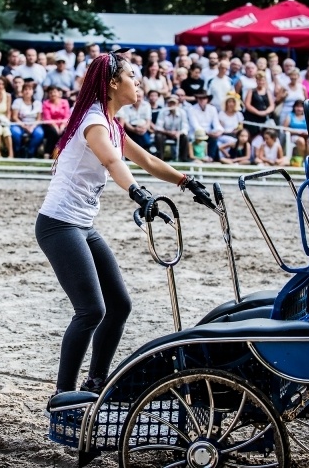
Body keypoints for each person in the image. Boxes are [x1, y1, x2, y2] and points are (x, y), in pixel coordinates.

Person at [36, 50, 211, 401]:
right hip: (59, 225)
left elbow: (145, 159)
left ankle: (95, 384)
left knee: (119, 306)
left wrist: (186, 182)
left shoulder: (113, 124)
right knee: (91, 310)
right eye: (133, 76)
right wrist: (138, 193)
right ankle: (63, 396)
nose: (139, 82)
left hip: (82, 225)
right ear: (114, 83)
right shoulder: (95, 122)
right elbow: (113, 161)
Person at [10, 81, 44, 158]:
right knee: (15, 133)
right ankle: (18, 151)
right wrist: (24, 127)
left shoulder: (37, 103)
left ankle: (30, 152)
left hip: (34, 125)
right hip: (20, 124)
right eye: (25, 89)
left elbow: (39, 118)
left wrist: (32, 127)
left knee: (39, 134)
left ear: (33, 92)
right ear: (22, 92)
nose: (27, 91)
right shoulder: (17, 101)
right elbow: (14, 117)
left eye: (29, 89)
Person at [153, 94, 190, 162]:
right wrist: (168, 132)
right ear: (168, 104)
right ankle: (160, 159)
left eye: (174, 103)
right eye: (170, 103)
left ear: (177, 104)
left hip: (177, 133)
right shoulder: (163, 111)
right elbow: (158, 127)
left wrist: (179, 133)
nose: (172, 105)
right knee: (158, 136)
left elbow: (185, 127)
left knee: (185, 137)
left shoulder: (182, 112)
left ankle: (183, 158)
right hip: (165, 133)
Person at [41, 85, 71, 159]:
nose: (53, 94)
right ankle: (47, 154)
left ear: (59, 93)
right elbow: (47, 118)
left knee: (65, 132)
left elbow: (67, 116)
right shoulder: (46, 103)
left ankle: (62, 155)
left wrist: (62, 126)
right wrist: (55, 127)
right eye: (50, 92)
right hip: (50, 125)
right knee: (53, 133)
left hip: (63, 124)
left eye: (54, 92)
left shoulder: (65, 102)